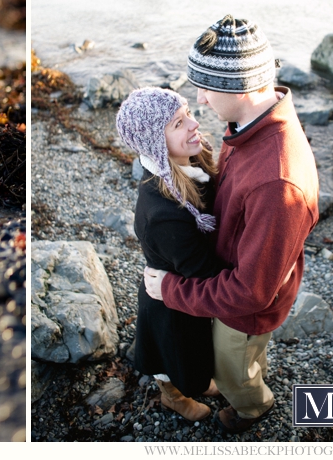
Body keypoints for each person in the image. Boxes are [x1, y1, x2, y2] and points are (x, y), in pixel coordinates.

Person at [143, 14, 320, 434]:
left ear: (238, 87)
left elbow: (250, 292)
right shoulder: (249, 125)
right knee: (247, 355)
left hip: (247, 307)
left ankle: (252, 407)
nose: (200, 100)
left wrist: (170, 289)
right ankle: (249, 374)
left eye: (204, 87)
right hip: (248, 282)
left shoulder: (277, 181)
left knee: (233, 369)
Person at [116, 87, 227, 422]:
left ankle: (196, 380)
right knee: (172, 352)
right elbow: (202, 269)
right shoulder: (163, 211)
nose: (194, 124)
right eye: (179, 123)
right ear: (155, 143)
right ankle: (173, 397)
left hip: (181, 282)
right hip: (168, 298)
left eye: (189, 113)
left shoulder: (191, 163)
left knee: (196, 346)